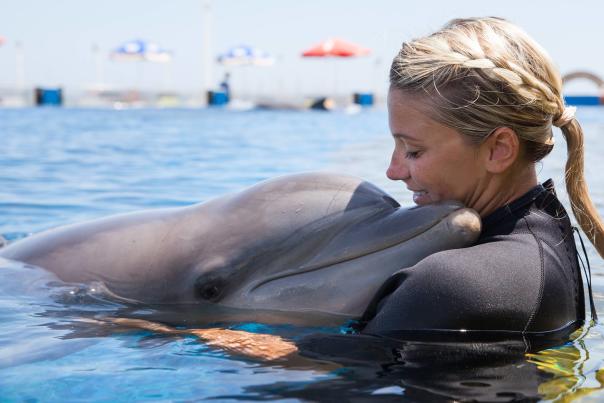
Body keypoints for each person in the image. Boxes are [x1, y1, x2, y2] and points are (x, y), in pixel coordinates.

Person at [360, 16, 603, 338]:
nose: (393, 172)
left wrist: (274, 348)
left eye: (414, 151)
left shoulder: (454, 285)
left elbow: (344, 380)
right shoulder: (544, 238)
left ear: (499, 149)